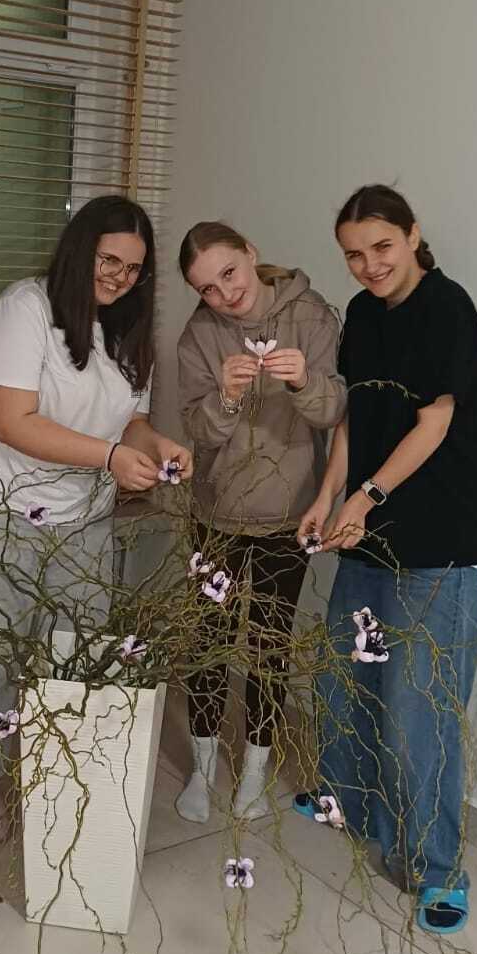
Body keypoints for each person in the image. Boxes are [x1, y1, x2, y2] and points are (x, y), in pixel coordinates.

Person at [0, 193, 192, 843]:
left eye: (133, 268)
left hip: (82, 514)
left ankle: (57, 773)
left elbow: (130, 419)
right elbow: (10, 420)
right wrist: (110, 457)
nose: (120, 277)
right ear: (80, 251)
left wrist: (156, 445)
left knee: (76, 651)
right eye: (109, 260)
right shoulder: (26, 309)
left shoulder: (128, 330)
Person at [295, 185, 477, 937]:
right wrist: (328, 495)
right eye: (353, 254)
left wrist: (366, 496)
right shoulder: (361, 315)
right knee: (348, 679)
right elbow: (354, 415)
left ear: (414, 236)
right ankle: (349, 805)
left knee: (421, 711)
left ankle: (436, 868)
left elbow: (434, 422)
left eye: (381, 246)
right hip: (368, 538)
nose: (369, 265)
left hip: (440, 547)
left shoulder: (448, 308)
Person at [176, 221, 346, 822]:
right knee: (207, 641)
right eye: (208, 288)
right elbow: (197, 432)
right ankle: (201, 769)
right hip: (216, 514)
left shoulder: (313, 316)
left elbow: (335, 413)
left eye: (229, 273)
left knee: (269, 647)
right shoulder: (200, 334)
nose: (225, 294)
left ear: (251, 252)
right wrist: (223, 397)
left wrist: (302, 381)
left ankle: (254, 769)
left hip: (287, 515)